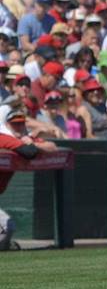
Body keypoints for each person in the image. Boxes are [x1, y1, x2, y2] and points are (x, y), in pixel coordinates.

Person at [0, 104, 47, 250]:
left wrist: (32, 141)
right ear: (6, 124)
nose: (18, 126)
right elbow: (30, 152)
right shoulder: (5, 138)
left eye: (21, 123)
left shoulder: (18, 139)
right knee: (6, 226)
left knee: (7, 228)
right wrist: (32, 142)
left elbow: (51, 146)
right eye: (15, 124)